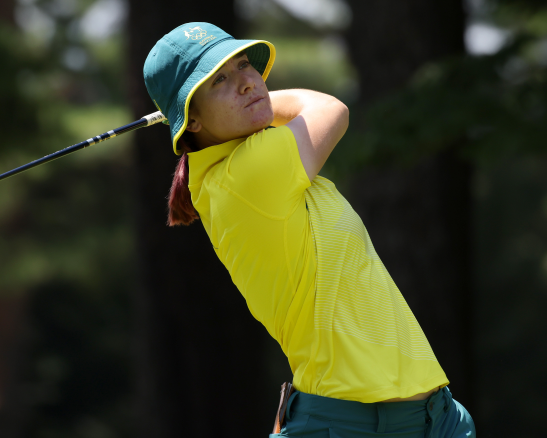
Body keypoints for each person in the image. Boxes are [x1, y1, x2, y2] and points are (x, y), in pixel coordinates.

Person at [142, 22, 476, 437]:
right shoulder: (244, 175)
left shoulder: (245, 161)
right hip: (351, 426)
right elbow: (330, 109)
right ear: (191, 120)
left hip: (436, 418)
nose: (246, 83)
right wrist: (259, 99)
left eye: (244, 65)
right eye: (219, 80)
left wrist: (219, 104)